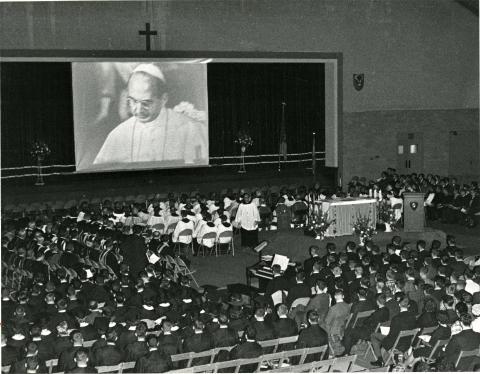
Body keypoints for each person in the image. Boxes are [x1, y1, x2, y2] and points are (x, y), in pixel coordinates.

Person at [93, 64, 207, 165]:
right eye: (132, 101)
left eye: (146, 103)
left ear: (163, 99)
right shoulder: (118, 134)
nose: (137, 110)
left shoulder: (190, 129)